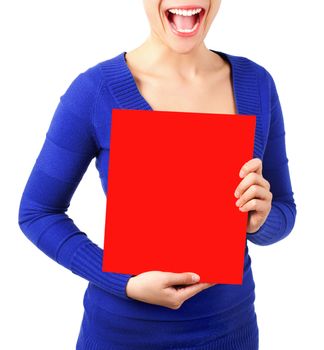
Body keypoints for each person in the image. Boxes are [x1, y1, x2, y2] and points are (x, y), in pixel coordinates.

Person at [18, 0, 297, 349]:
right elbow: (37, 213)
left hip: (231, 332)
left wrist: (262, 219)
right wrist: (124, 283)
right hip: (121, 335)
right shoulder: (95, 90)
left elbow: (283, 211)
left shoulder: (257, 83)